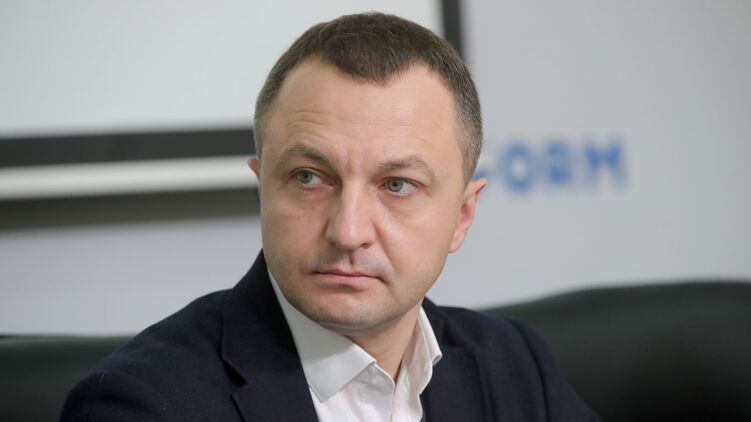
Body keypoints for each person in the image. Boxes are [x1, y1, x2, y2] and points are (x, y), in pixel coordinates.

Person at [61, 12, 598, 422]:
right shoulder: (140, 404)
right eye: (309, 178)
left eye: (397, 185)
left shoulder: (515, 367)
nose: (348, 231)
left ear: (462, 216)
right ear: (263, 189)